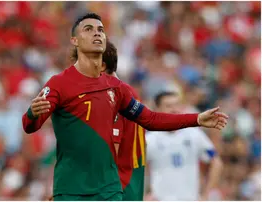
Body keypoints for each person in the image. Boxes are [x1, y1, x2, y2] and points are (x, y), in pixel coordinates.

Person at [22, 13, 228, 201]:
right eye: (89, 29)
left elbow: (151, 119)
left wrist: (196, 119)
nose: (97, 33)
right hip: (71, 190)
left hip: (110, 191)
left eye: (100, 30)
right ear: (75, 41)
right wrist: (33, 113)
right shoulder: (59, 83)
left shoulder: (117, 89)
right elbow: (30, 125)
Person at [145, 91, 224, 201]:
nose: (174, 109)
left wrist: (206, 194)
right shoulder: (150, 139)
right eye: (168, 106)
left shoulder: (194, 134)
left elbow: (216, 162)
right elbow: (135, 168)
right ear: (157, 109)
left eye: (177, 105)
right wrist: (143, 195)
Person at [100, 40, 146, 201]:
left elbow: (110, 154)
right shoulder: (127, 91)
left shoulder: (114, 96)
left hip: (116, 189)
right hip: (129, 187)